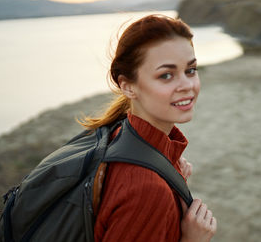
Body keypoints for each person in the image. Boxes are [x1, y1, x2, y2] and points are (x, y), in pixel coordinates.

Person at [79, 14, 217, 242]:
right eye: (166, 75)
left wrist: (167, 167)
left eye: (190, 70)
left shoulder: (119, 134)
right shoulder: (148, 191)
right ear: (128, 87)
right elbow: (138, 191)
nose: (187, 85)